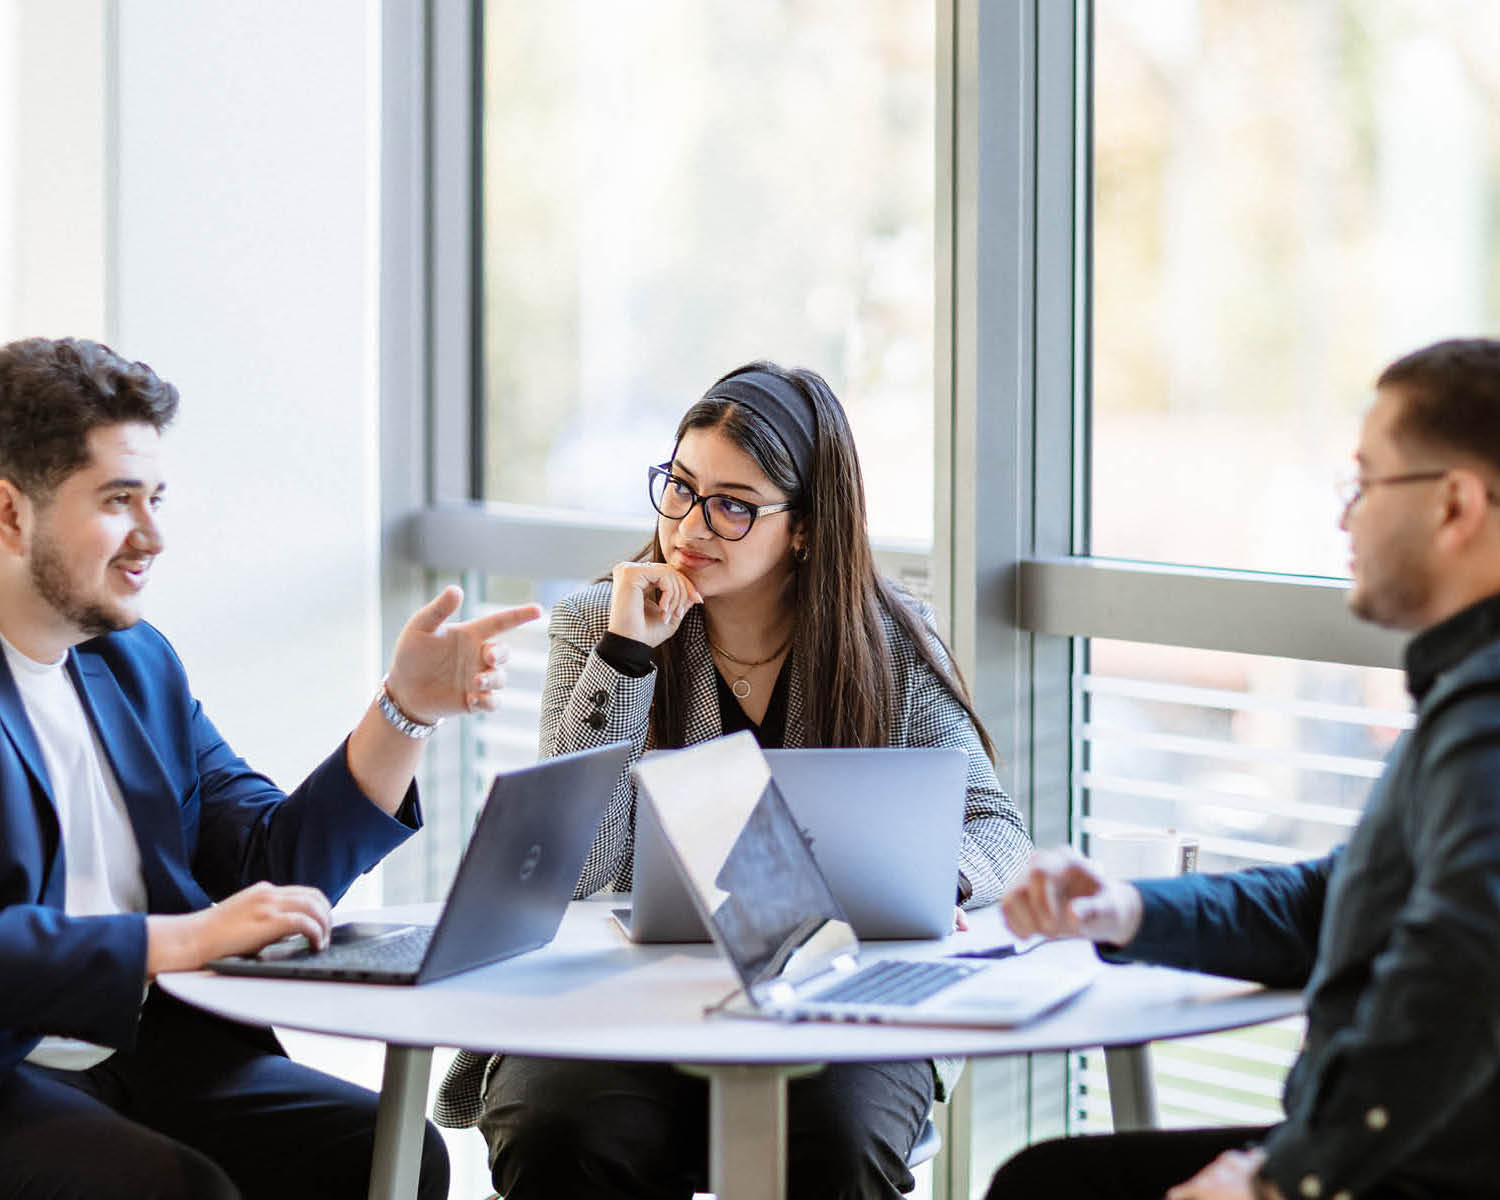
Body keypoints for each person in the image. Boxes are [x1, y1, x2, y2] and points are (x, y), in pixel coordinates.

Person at [435, 361, 1032, 1199]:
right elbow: (572, 866)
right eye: (679, 487)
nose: (690, 526)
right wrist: (628, 657)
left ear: (806, 528)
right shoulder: (595, 624)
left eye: (733, 505)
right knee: (558, 1129)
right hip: (633, 992)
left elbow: (997, 829)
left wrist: (939, 879)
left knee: (835, 1138)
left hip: (834, 992)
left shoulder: (893, 638)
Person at [0, 336, 541, 1200]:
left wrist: (405, 709)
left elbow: (267, 870)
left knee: (392, 1156)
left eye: (157, 498)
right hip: (13, 1072)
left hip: (153, 1051)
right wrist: (177, 939)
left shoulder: (137, 666)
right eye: (116, 500)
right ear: (10, 512)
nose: (153, 536)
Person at [989, 336, 1500, 1200]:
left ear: (1454, 506)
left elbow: (1468, 966)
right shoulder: (1461, 693)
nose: (1347, 518)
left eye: (1366, 484)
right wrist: (1123, 909)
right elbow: (1334, 900)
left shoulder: (1484, 713)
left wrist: (1284, 1179)